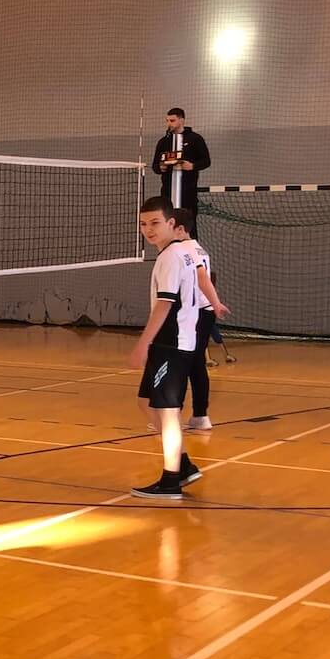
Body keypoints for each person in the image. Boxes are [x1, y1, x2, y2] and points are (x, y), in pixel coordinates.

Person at [130, 198, 205, 500]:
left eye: (155, 223)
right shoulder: (180, 252)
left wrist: (143, 343)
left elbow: (165, 304)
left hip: (171, 343)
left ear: (172, 224)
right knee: (145, 402)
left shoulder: (172, 257)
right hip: (171, 342)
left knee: (168, 412)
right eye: (143, 224)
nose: (148, 229)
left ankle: (171, 479)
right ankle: (183, 465)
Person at [172, 208, 230, 433]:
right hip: (203, 311)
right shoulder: (197, 247)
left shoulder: (184, 250)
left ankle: (174, 416)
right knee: (196, 364)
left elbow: (202, 278)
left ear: (179, 229)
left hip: (197, 312)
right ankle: (199, 415)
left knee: (185, 363)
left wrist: (216, 303)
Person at [149, 107, 211, 213]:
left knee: (188, 221)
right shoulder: (163, 142)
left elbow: (206, 161)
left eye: (172, 120)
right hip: (167, 193)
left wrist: (192, 166)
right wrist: (161, 168)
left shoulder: (195, 139)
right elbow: (155, 166)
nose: (169, 124)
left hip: (188, 193)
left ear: (181, 120)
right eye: (167, 121)